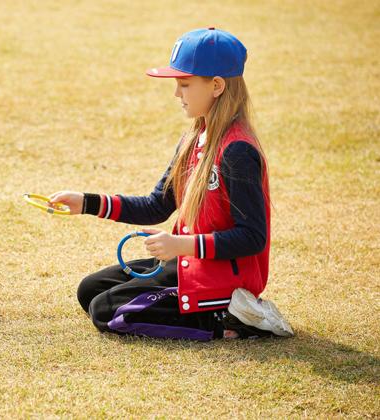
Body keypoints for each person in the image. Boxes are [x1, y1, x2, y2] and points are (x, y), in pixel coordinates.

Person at [48, 27, 293, 340]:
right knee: (90, 290)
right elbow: (157, 205)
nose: (177, 93)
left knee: (105, 310)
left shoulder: (238, 150)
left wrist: (182, 245)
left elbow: (252, 237)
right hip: (189, 261)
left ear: (217, 85)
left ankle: (232, 319)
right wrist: (86, 202)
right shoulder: (193, 139)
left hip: (224, 278)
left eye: (185, 84)